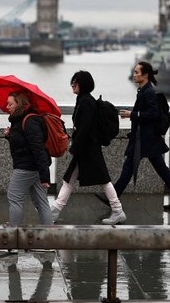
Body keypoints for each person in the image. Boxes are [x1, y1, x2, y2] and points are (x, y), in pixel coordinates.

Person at [98, 61, 170, 210]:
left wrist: (132, 114)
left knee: (129, 169)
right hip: (145, 138)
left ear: (145, 75)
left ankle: (113, 197)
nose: (134, 75)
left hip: (145, 140)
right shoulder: (144, 91)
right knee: (159, 168)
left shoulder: (148, 92)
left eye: (136, 72)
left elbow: (153, 114)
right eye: (134, 72)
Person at [51, 71, 126, 225]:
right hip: (86, 148)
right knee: (69, 179)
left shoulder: (87, 102)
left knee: (103, 179)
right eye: (72, 81)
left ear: (83, 84)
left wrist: (74, 147)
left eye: (75, 82)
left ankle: (118, 210)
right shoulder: (83, 100)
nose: (72, 84)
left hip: (89, 148)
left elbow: (85, 127)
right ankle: (55, 211)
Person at [4, 90, 53, 227]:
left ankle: (14, 234)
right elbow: (22, 143)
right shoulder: (20, 120)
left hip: (27, 167)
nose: (7, 107)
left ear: (19, 104)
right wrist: (10, 135)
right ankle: (49, 236)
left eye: (10, 104)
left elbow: (38, 149)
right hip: (33, 166)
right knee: (41, 202)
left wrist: (45, 177)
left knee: (14, 197)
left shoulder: (30, 121)